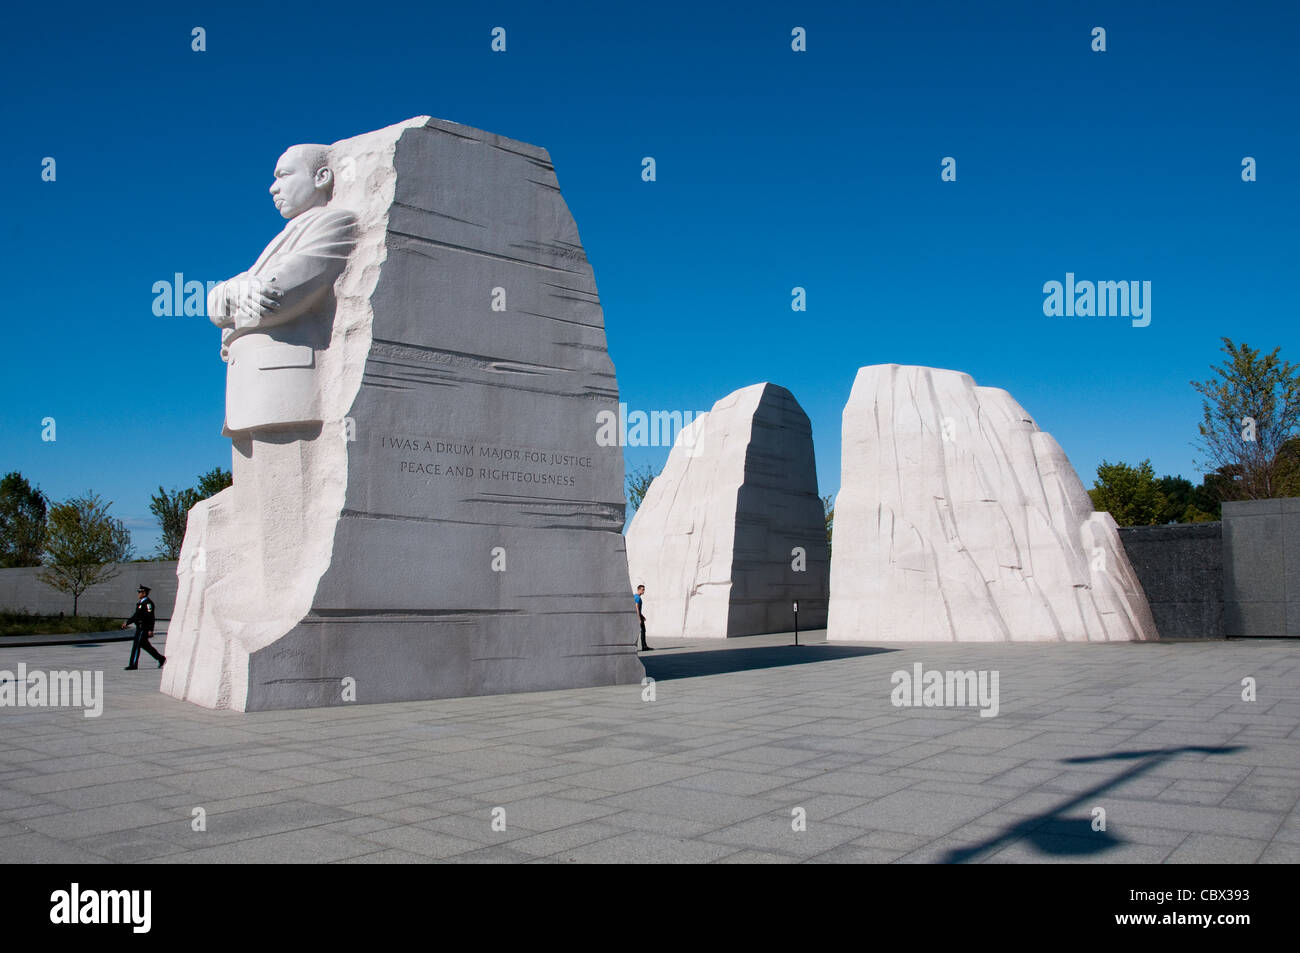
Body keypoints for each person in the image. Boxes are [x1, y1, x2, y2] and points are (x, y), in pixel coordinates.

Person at [121, 585, 165, 670]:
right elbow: (135, 616)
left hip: (144, 628)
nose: (138, 594)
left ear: (144, 593)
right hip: (139, 628)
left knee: (137, 645)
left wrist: (150, 630)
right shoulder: (140, 603)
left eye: (139, 592)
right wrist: (127, 622)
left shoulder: (148, 603)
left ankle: (133, 665)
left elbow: (151, 617)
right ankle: (160, 658)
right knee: (145, 645)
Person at [634, 584, 651, 651]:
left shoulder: (636, 596)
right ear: (638, 589)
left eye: (644, 589)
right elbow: (636, 607)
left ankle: (643, 646)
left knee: (641, 631)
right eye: (642, 589)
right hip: (637, 617)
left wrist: (642, 616)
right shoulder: (637, 597)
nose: (643, 591)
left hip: (638, 616)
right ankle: (644, 646)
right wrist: (639, 618)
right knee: (642, 631)